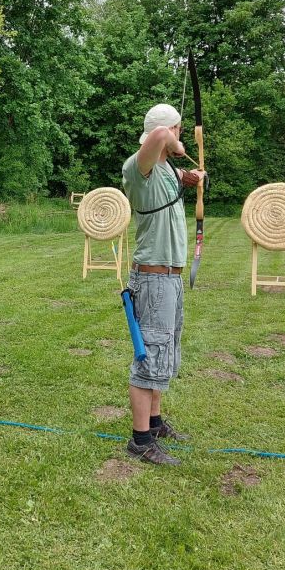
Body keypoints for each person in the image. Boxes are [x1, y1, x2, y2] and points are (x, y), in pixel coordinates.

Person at [120, 103, 206, 465]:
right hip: (152, 278)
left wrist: (190, 176)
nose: (179, 136)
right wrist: (175, 141)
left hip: (169, 278)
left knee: (164, 350)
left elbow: (173, 170)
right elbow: (157, 137)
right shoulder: (137, 167)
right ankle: (140, 440)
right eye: (178, 129)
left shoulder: (166, 169)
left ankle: (154, 424)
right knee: (150, 353)